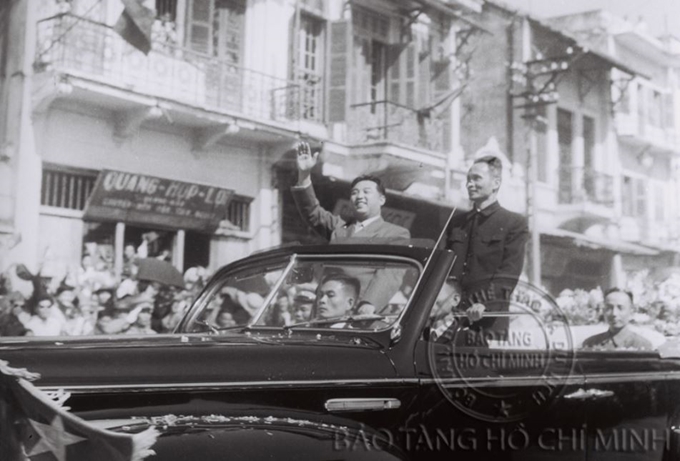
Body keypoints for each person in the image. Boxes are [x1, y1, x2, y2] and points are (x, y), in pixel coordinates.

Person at [292, 141, 410, 313]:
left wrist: (369, 304)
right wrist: (304, 175)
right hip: (327, 311)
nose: (359, 197)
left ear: (382, 200)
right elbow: (312, 212)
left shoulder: (396, 234)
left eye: (366, 192)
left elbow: (389, 275)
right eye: (354, 193)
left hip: (360, 313)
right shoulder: (340, 227)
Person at [445, 155, 529, 339]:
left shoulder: (514, 223)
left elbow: (509, 271)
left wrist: (485, 304)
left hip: (488, 321)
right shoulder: (457, 223)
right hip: (451, 317)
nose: (469, 184)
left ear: (496, 183)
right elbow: (444, 268)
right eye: (468, 179)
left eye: (476, 178)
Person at [582, 288, 653, 350]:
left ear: (631, 311)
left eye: (620, 308)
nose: (614, 313)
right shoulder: (590, 344)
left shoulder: (642, 346)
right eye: (609, 308)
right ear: (603, 311)